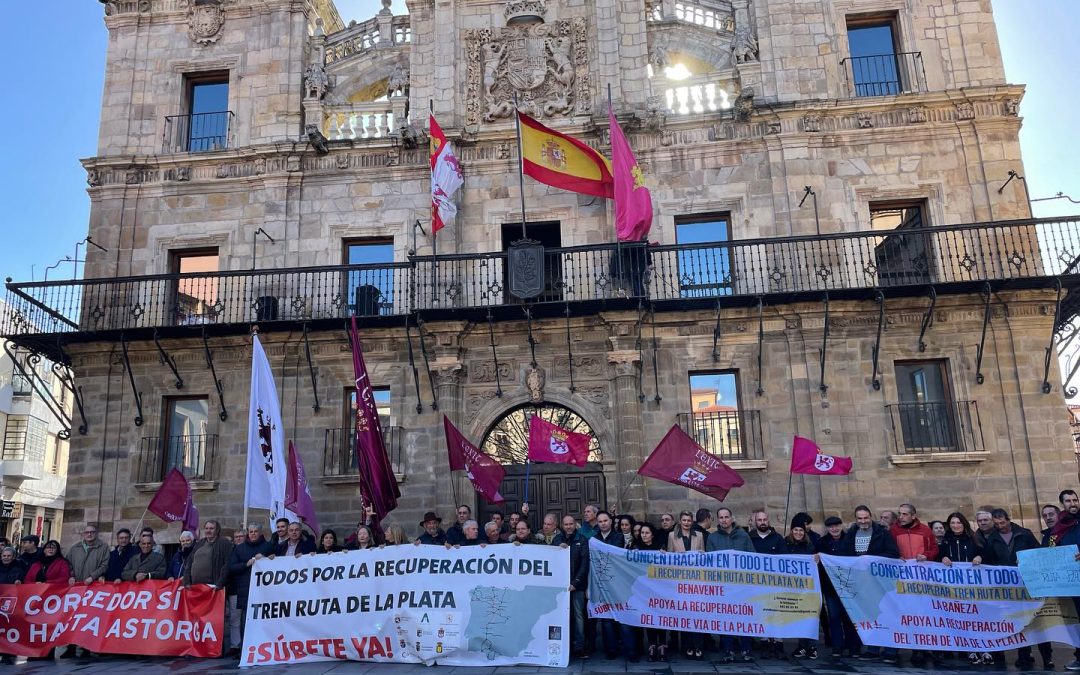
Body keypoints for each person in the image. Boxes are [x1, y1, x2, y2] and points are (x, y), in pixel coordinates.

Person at [982, 508, 1043, 669]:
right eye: (996, 524)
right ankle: (1008, 653)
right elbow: (989, 560)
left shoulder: (1024, 533)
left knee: (1025, 620)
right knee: (1009, 620)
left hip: (1024, 585)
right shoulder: (993, 538)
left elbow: (1037, 552)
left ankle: (1026, 655)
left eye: (1002, 523)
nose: (1000, 526)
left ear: (1009, 520)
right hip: (1005, 586)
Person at [838, 506, 898, 663]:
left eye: (865, 518)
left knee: (886, 614)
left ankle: (891, 650)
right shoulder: (851, 534)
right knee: (870, 616)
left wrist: (871, 559)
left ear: (871, 517)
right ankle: (873, 649)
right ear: (856, 519)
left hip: (880, 582)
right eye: (860, 518)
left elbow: (892, 553)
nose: (863, 521)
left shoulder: (882, 533)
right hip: (861, 582)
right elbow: (844, 554)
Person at [936, 513, 989, 666]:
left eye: (958, 522)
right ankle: (970, 649)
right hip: (954, 589)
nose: (955, 525)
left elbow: (987, 554)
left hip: (975, 587)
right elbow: (940, 557)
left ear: (964, 523)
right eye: (952, 523)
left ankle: (985, 649)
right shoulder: (946, 541)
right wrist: (942, 558)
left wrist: (980, 557)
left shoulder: (975, 539)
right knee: (963, 619)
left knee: (979, 619)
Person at [707, 507, 754, 663]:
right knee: (726, 617)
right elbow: (709, 562)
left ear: (732, 518)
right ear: (717, 519)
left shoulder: (743, 536)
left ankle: (746, 649)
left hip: (742, 585)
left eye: (727, 516)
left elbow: (752, 558)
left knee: (744, 617)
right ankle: (728, 650)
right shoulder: (713, 538)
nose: (724, 520)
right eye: (721, 517)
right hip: (723, 586)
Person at [817, 516, 859, 660]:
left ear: (841, 526)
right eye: (831, 527)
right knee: (834, 617)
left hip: (849, 586)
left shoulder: (850, 540)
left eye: (836, 526)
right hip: (830, 587)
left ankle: (853, 646)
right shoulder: (822, 542)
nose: (834, 529)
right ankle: (837, 646)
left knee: (849, 617)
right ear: (827, 528)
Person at [227, 523, 272, 655]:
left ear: (260, 532)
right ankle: (244, 650)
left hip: (263, 591)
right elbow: (232, 567)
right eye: (251, 531)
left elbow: (278, 561)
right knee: (244, 621)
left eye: (255, 531)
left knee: (261, 621)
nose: (253, 534)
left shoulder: (268, 546)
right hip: (244, 590)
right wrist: (246, 564)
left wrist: (267, 559)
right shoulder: (240, 549)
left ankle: (261, 647)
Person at [1047, 490, 1080, 672]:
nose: (1072, 503)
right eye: (1068, 501)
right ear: (1062, 504)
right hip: (1074, 583)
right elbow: (1051, 551)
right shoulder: (1059, 527)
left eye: (1075, 500)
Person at [749, 510, 785, 659]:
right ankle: (764, 641)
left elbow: (785, 558)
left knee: (776, 613)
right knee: (762, 612)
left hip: (775, 583)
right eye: (759, 520)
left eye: (764, 519)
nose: (762, 522)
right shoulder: (750, 538)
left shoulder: (778, 538)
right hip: (757, 583)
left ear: (768, 521)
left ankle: (778, 642)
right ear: (755, 522)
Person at [553, 514, 589, 659]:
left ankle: (579, 647)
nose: (568, 527)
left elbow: (584, 563)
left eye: (571, 524)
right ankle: (562, 646)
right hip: (559, 587)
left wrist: (576, 582)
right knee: (558, 616)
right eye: (566, 524)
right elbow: (549, 559)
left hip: (576, 587)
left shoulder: (582, 540)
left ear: (575, 525)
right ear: (562, 525)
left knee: (578, 617)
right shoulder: (557, 540)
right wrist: (557, 548)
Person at [634, 523, 669, 661]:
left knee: (660, 616)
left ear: (652, 534)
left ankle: (662, 645)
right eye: (642, 533)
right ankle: (652, 645)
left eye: (647, 533)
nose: (644, 535)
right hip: (644, 590)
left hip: (660, 589)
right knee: (649, 618)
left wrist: (665, 555)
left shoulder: (660, 547)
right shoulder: (636, 547)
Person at [786, 519, 817, 660]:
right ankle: (802, 646)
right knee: (798, 617)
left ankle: (811, 646)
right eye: (795, 530)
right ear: (792, 531)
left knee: (809, 615)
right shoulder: (786, 544)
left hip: (808, 587)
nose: (798, 533)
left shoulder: (810, 545)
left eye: (801, 530)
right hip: (792, 587)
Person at [183, 520, 233, 588]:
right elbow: (189, 562)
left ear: (217, 530)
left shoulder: (225, 543)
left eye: (211, 528)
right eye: (206, 528)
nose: (208, 531)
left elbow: (228, 565)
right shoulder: (200, 543)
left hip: (214, 588)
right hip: (195, 587)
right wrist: (186, 582)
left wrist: (220, 583)